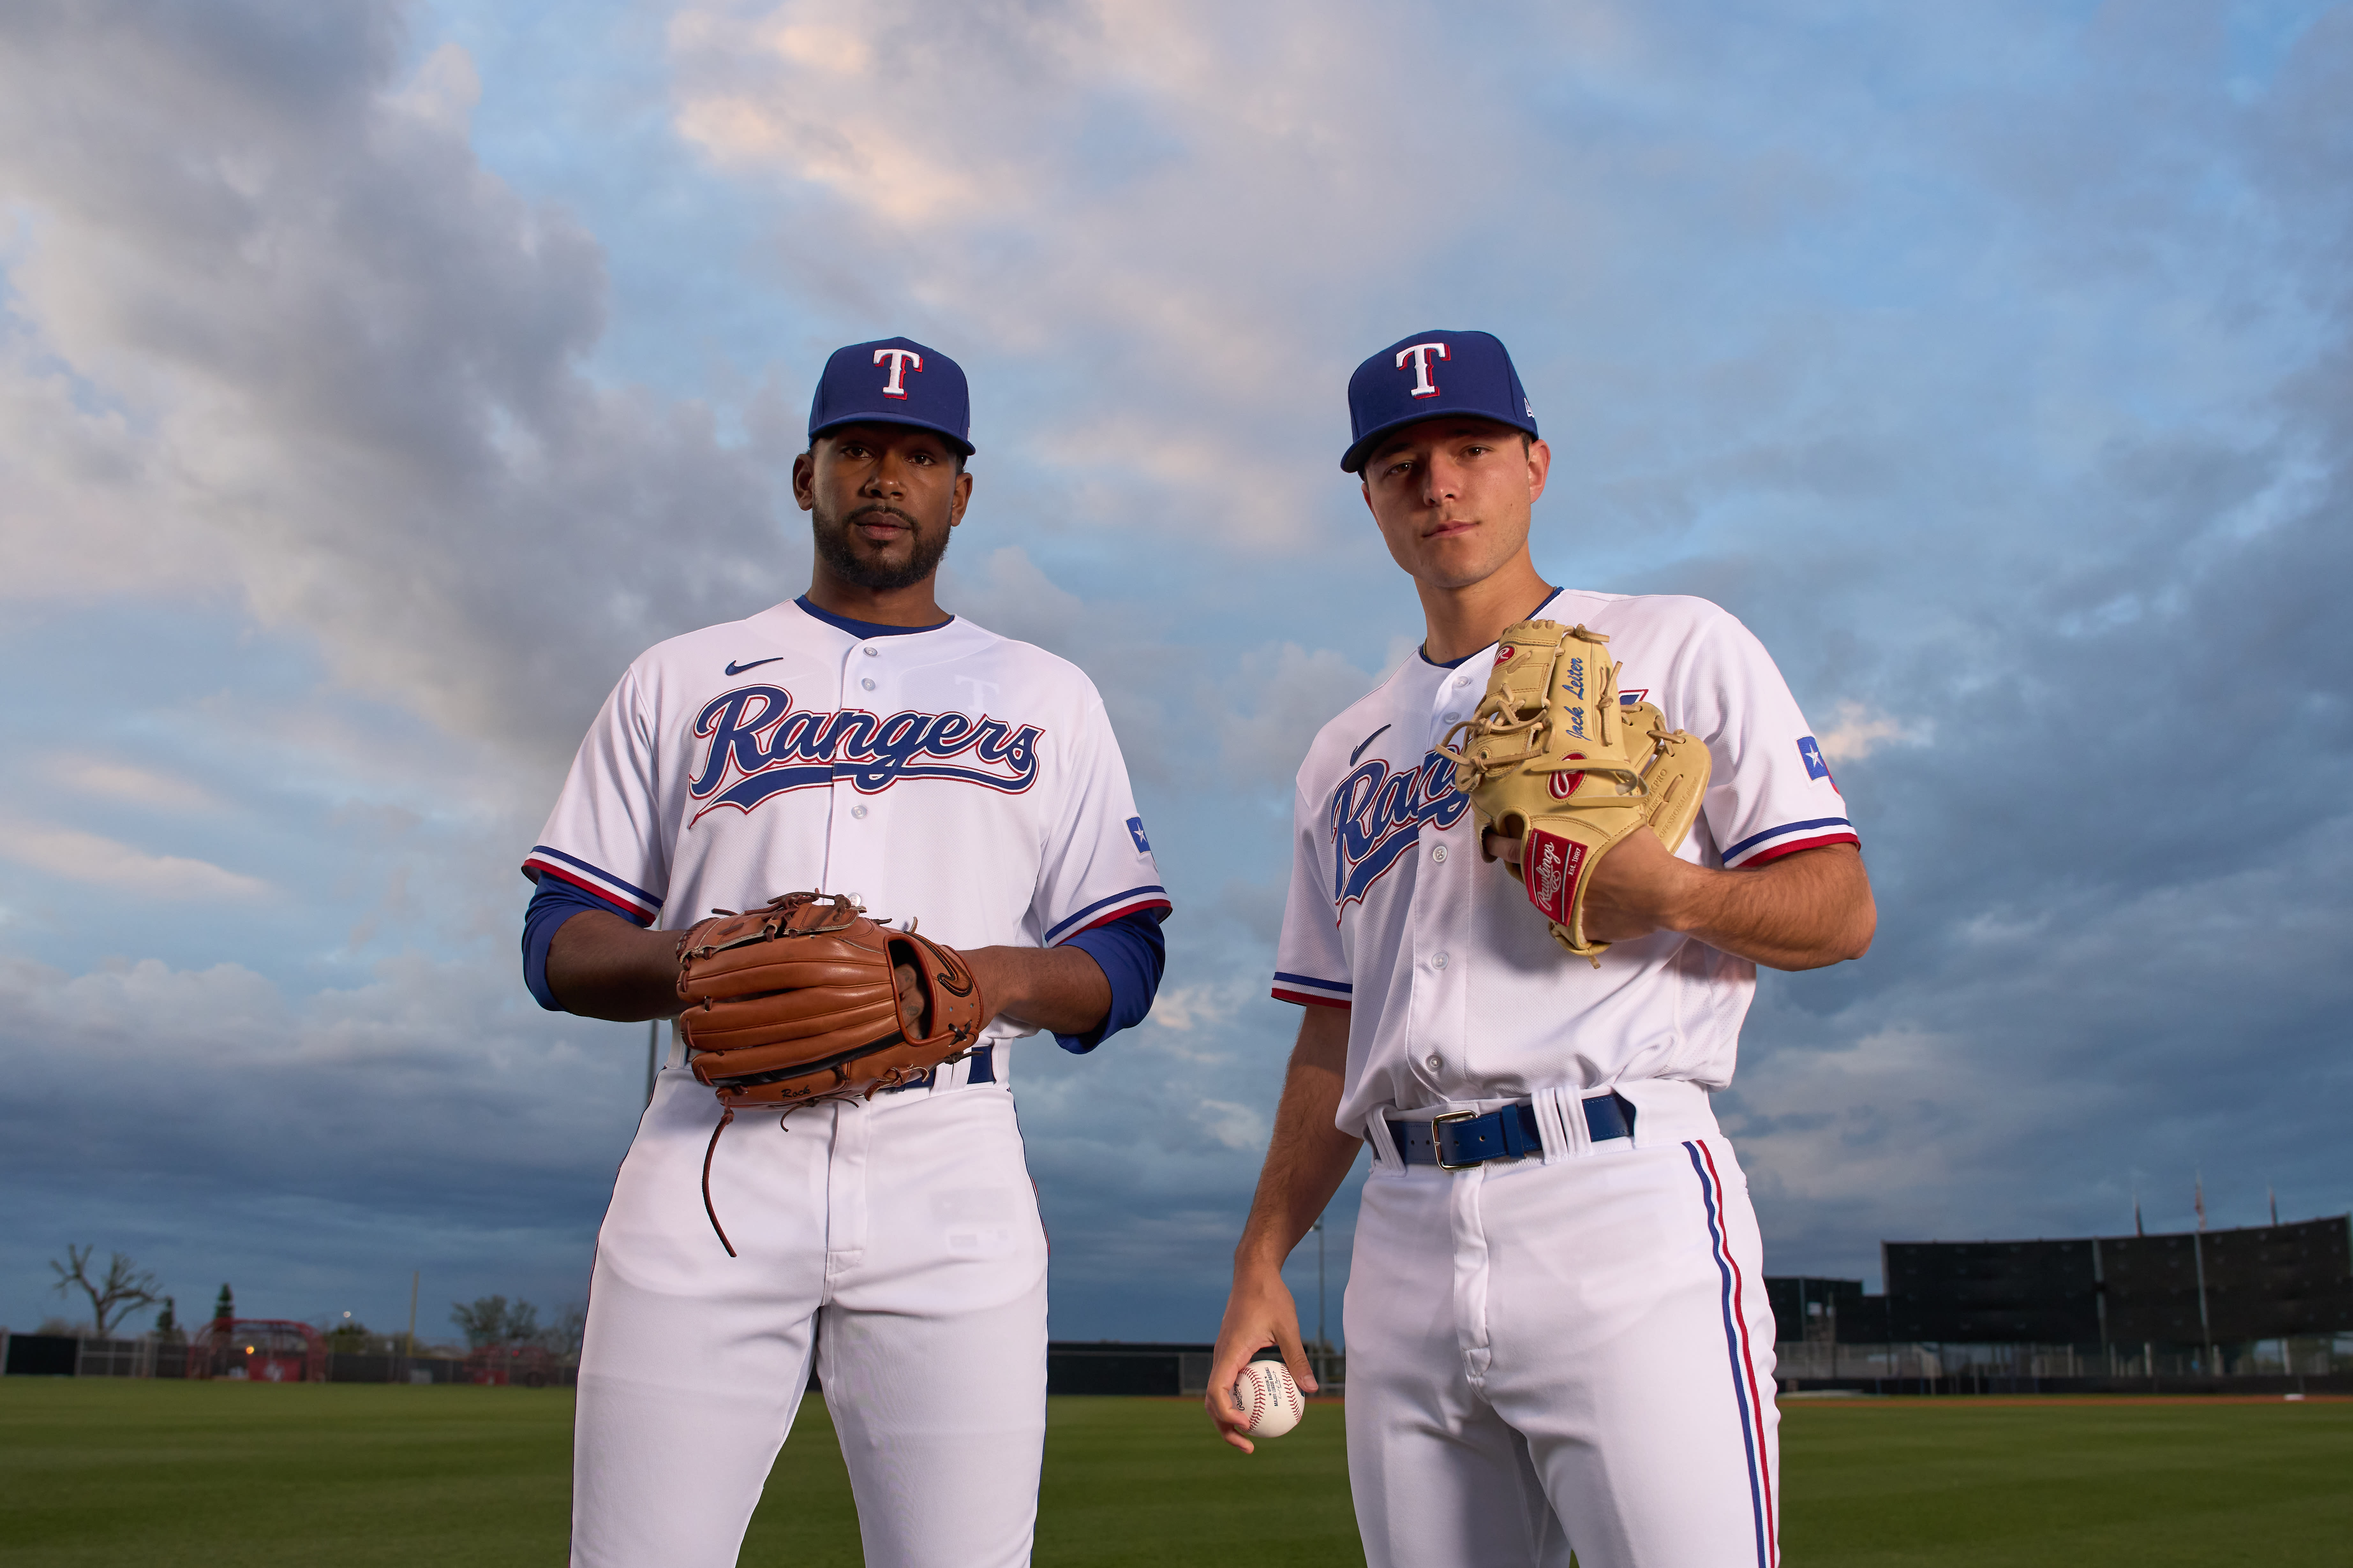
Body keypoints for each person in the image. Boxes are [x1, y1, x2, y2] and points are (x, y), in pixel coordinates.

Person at [1204, 329, 1874, 1568]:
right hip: (1398, 1234)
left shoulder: (1676, 645)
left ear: (1533, 464)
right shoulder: (1337, 754)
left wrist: (1673, 891)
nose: (1438, 483)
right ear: (1367, 498)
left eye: (1469, 447)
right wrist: (1259, 1256)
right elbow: (1330, 1030)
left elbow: (1839, 907)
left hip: (1616, 1198)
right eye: (1399, 463)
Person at [521, 337, 1171, 1567]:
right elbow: (559, 940)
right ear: (804, 474)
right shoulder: (681, 676)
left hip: (953, 1162)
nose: (886, 475)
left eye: (920, 454)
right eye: (858, 448)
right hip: (712, 1149)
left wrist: (977, 982)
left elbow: (1123, 956)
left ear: (960, 491)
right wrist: (711, 960)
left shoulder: (1049, 694)